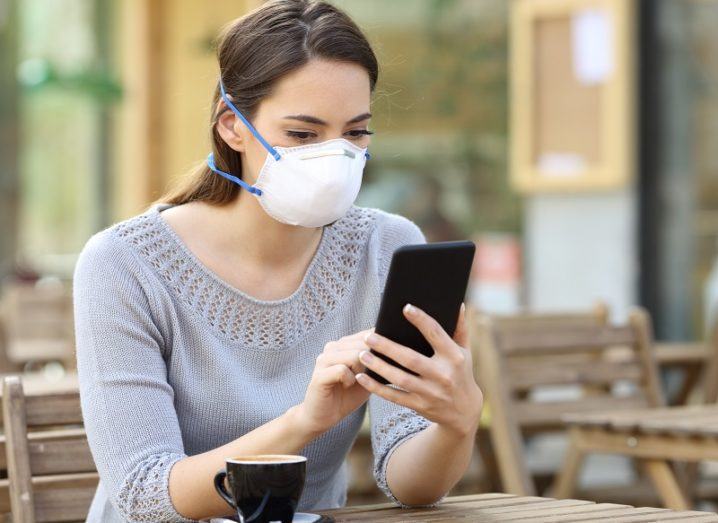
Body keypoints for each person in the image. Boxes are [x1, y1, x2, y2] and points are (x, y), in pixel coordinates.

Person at [72, 1, 483, 521]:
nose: (333, 160)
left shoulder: (388, 246)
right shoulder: (124, 264)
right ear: (232, 127)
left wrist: (456, 423)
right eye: (303, 134)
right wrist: (304, 421)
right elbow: (147, 496)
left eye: (355, 132)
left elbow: (411, 487)